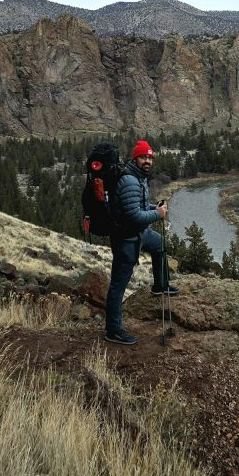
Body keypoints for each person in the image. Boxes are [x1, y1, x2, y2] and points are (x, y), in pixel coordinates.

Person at [104, 140, 179, 345]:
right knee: (118, 286)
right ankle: (113, 330)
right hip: (125, 239)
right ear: (135, 158)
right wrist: (158, 214)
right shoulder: (129, 181)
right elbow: (134, 216)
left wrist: (155, 206)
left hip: (139, 234)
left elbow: (141, 205)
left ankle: (160, 285)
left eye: (149, 157)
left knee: (159, 244)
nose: (147, 161)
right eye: (143, 157)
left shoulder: (139, 178)